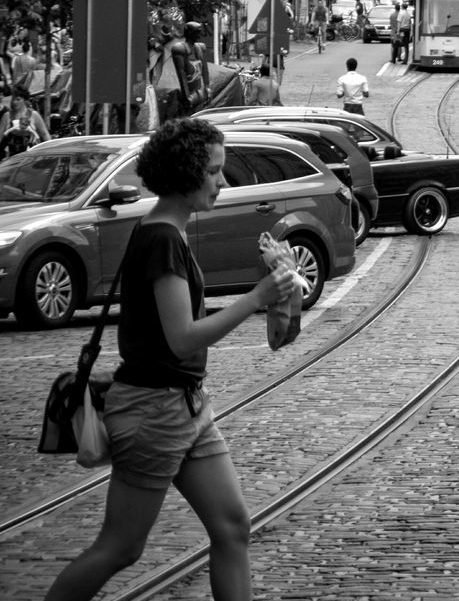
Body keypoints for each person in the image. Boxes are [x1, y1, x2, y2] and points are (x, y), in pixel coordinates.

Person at [43, 118, 298, 601]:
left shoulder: (167, 232)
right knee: (121, 547)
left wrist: (268, 284)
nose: (222, 184)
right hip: (153, 410)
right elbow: (182, 339)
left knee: (233, 528)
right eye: (215, 172)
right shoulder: (161, 238)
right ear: (185, 174)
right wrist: (257, 297)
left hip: (184, 405)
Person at [0, 93, 49, 163]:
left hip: (30, 159)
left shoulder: (34, 115)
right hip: (12, 158)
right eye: (13, 99)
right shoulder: (7, 116)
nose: (14, 102)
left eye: (18, 99)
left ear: (24, 100)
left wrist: (52, 149)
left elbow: (45, 134)